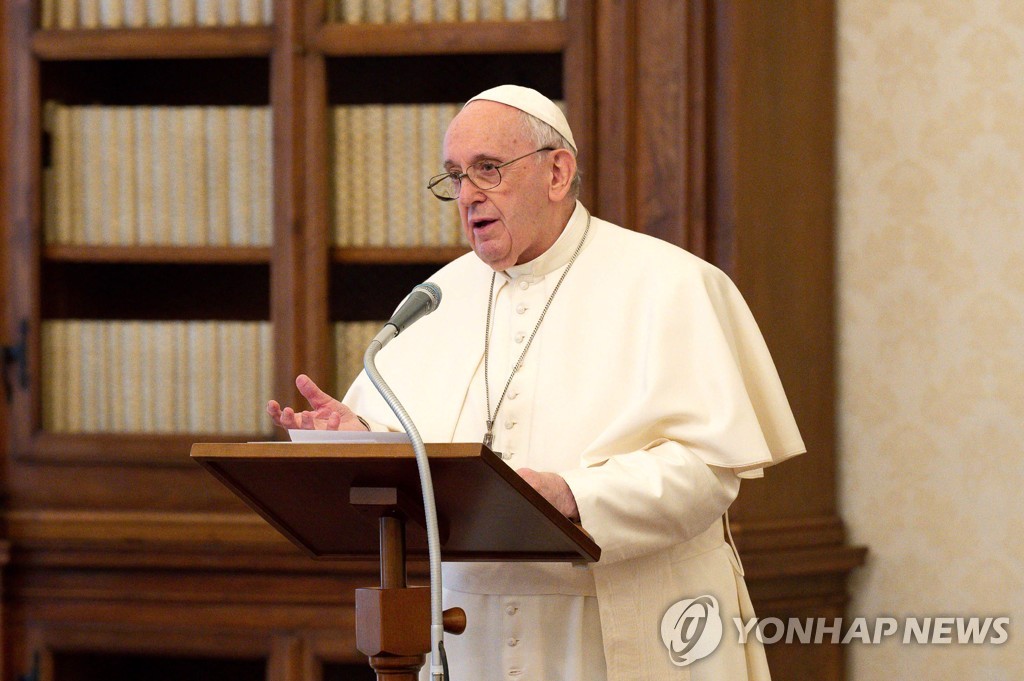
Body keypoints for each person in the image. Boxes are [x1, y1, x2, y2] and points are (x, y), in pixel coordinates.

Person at [267, 85, 805, 680]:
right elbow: (421, 471)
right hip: (471, 638)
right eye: (455, 176)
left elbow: (709, 471)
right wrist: (360, 439)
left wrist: (574, 497)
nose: (467, 195)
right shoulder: (439, 298)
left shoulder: (671, 285)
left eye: (487, 170)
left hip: (622, 631)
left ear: (557, 171)